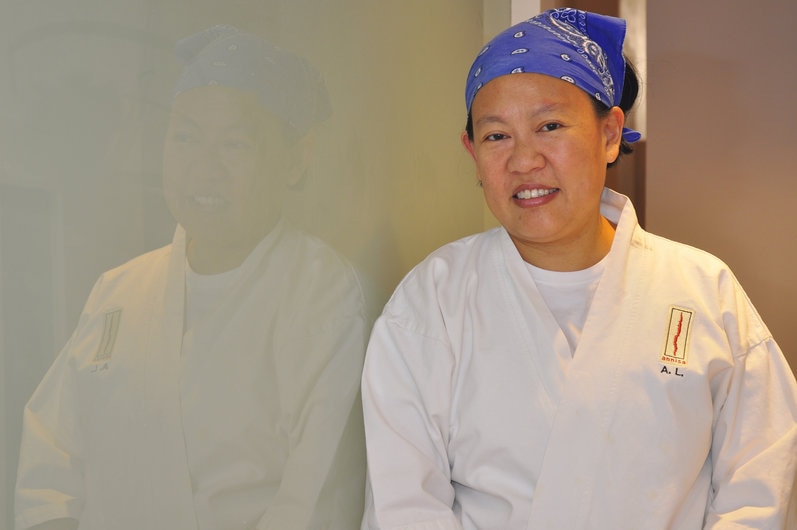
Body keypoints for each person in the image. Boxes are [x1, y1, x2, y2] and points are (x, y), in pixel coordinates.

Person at [360, 8, 797, 529]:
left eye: (550, 126)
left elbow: (761, 481)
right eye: (497, 136)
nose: (524, 161)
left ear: (610, 134)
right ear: (472, 154)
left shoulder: (704, 291)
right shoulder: (432, 303)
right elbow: (405, 505)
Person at [15, 26, 367, 530]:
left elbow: (314, 502)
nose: (204, 168)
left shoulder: (323, 296)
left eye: (234, 144)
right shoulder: (119, 291)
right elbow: (50, 466)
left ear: (296, 159)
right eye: (184, 138)